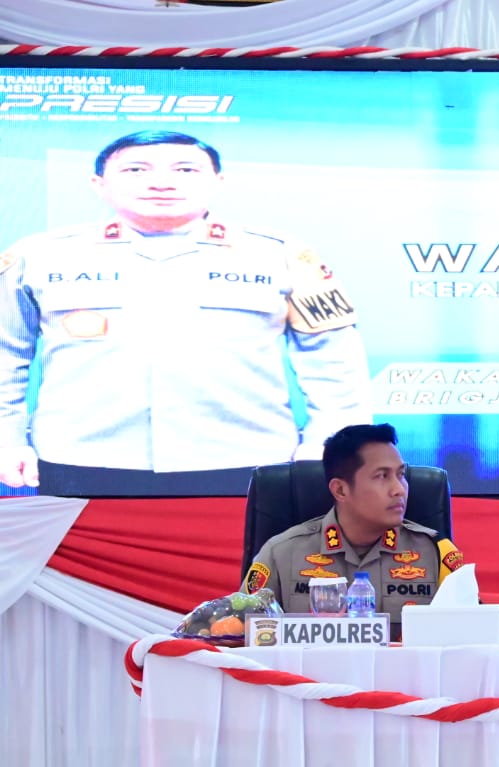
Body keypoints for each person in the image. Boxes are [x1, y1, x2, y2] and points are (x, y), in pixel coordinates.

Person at [0, 130, 370, 496]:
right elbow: (6, 352)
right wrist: (6, 438)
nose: (162, 183)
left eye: (185, 170)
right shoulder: (40, 256)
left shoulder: (281, 255)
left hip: (247, 458)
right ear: (99, 184)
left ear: (218, 181)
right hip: (78, 459)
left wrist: (332, 445)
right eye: (136, 170)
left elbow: (333, 359)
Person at [243, 423, 465, 627]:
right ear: (340, 490)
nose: (399, 489)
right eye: (382, 476)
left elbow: (471, 631)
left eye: (401, 475)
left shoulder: (436, 553)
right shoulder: (281, 554)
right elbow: (240, 631)